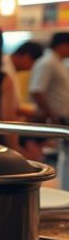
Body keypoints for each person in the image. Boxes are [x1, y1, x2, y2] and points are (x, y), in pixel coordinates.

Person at [29, 33, 69, 188]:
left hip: (61, 116)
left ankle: (66, 189)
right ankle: (65, 191)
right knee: (63, 157)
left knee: (65, 157)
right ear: (62, 45)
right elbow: (37, 90)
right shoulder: (47, 62)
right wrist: (51, 114)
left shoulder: (59, 63)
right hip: (57, 117)